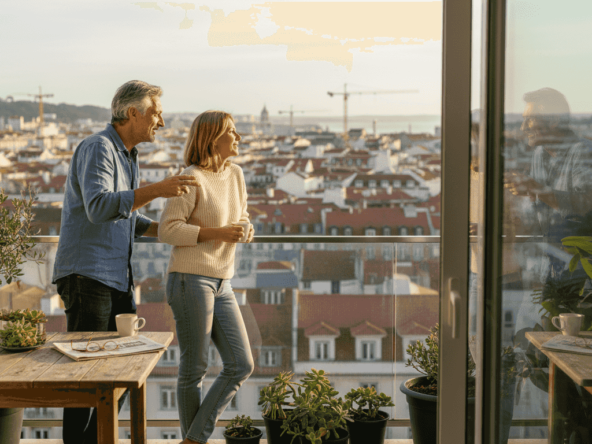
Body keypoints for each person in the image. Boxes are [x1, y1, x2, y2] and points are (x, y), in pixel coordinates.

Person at [52, 80, 200, 444]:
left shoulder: (127, 156)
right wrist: (158, 190)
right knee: (85, 377)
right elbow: (100, 206)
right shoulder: (99, 147)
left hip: (114, 277)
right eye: (156, 114)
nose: (161, 123)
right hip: (88, 275)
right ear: (133, 113)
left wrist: (174, 231)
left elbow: (125, 219)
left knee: (116, 371)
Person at [158, 110, 255, 444]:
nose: (238, 137)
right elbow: (168, 230)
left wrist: (245, 227)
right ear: (212, 138)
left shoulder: (236, 174)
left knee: (241, 364)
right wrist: (218, 232)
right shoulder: (190, 177)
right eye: (232, 131)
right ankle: (196, 439)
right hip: (189, 279)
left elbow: (241, 214)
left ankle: (193, 438)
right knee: (195, 368)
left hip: (222, 280)